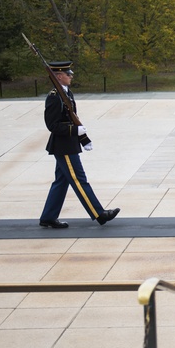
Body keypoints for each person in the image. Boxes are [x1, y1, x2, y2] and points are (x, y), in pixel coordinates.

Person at [38, 61, 119, 229]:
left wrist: (84, 139)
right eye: (68, 74)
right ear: (59, 76)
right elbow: (52, 125)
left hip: (68, 144)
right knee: (78, 180)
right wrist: (75, 132)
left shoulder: (66, 93)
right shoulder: (54, 97)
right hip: (64, 146)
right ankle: (99, 214)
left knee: (61, 181)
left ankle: (48, 217)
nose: (71, 76)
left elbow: (72, 118)